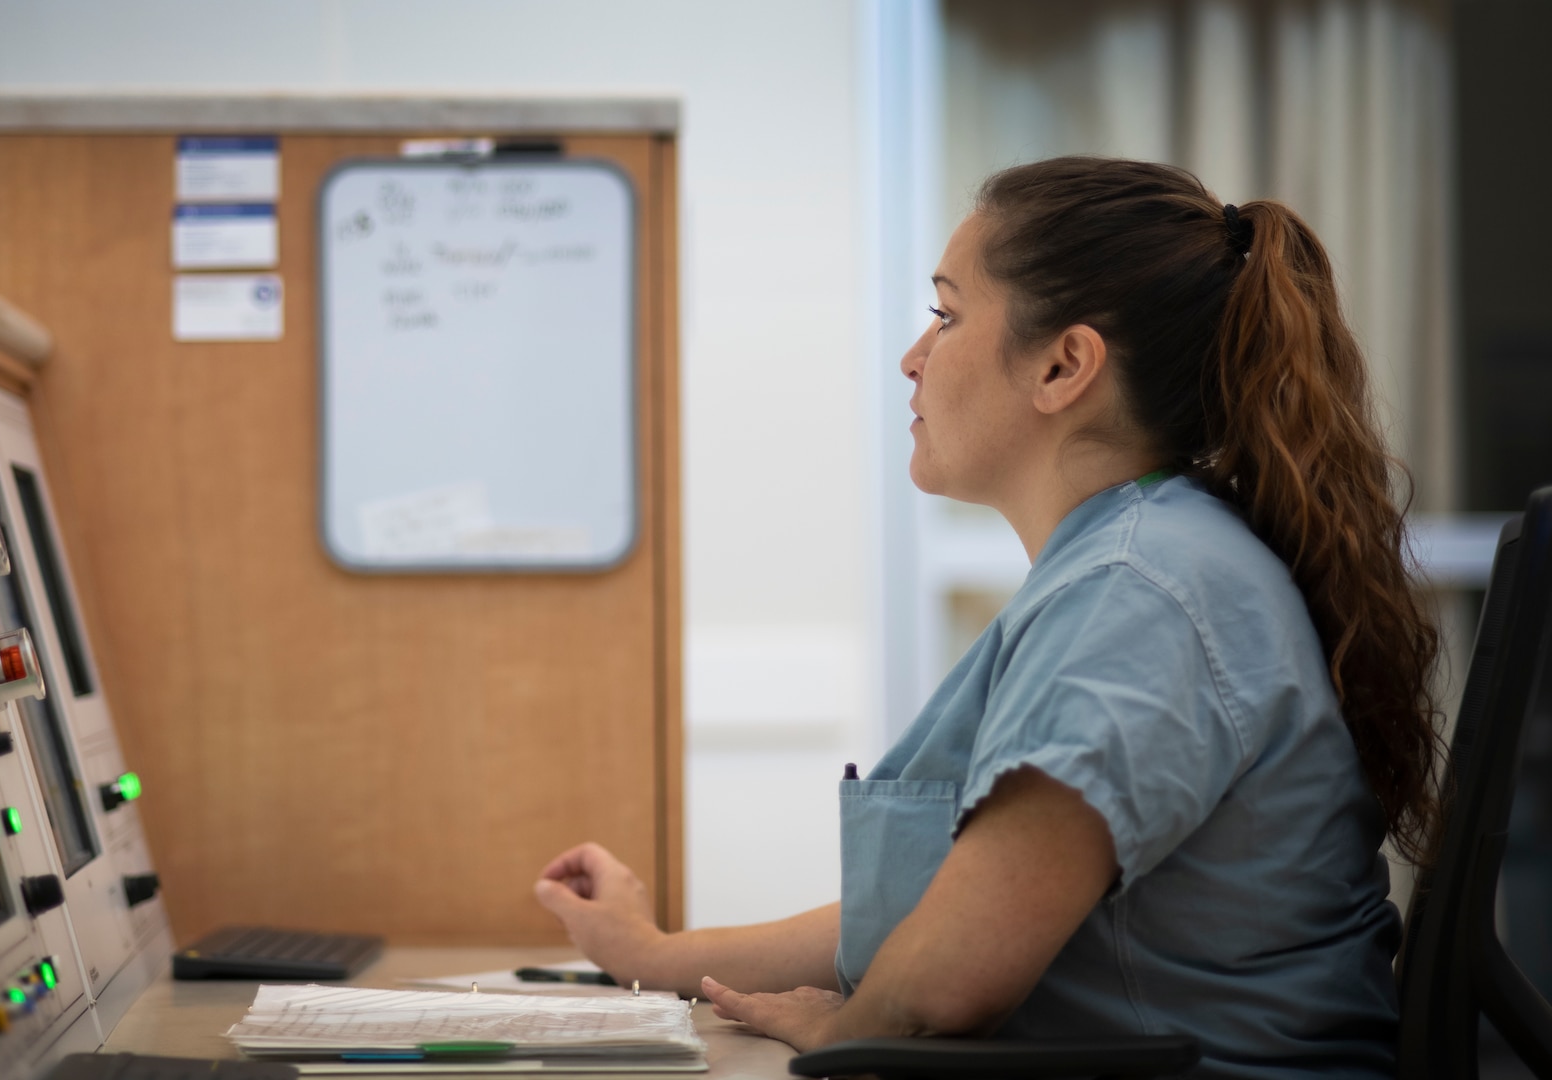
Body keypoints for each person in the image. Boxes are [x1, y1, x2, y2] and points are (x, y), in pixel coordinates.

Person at [532, 157, 1443, 1079]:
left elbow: (945, 983)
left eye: (947, 313)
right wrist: (649, 955)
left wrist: (844, 1029)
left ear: (1062, 365)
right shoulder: (1151, 559)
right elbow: (939, 915)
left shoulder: (1136, 594)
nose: (913, 357)